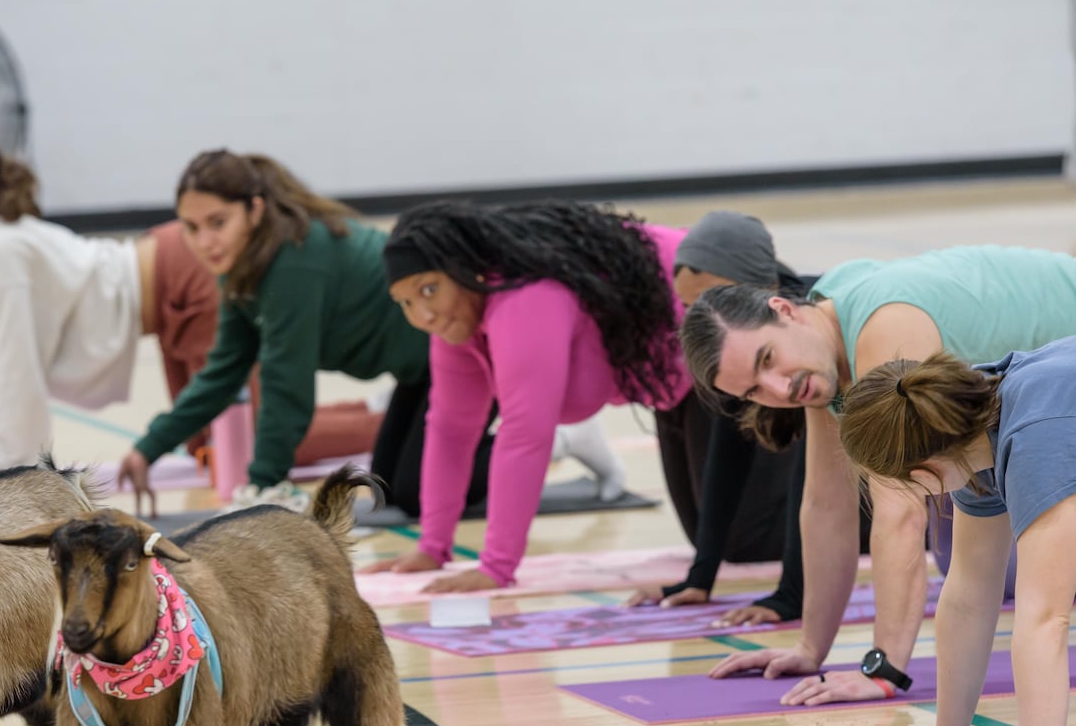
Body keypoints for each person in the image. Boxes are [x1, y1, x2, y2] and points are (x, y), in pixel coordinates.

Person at [679, 244, 1076, 705]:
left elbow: (900, 512)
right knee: (967, 562)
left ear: (784, 309)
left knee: (1015, 576)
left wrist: (883, 668)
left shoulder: (883, 326)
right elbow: (827, 505)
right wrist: (810, 647)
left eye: (767, 359)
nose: (777, 389)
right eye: (753, 390)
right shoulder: (821, 343)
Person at [0, 130, 379, 485]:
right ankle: (366, 411)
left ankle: (385, 423)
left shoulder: (0, 253)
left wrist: (11, 479)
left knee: (246, 440)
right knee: (206, 444)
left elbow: (15, 375)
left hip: (185, 278)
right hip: (165, 294)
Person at [114, 150, 484, 515]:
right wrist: (148, 448)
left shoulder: (293, 259)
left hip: (464, 353)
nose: (204, 241)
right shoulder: (241, 271)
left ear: (254, 211)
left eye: (218, 222)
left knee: (418, 491)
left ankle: (523, 449)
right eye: (191, 228)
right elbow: (223, 372)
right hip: (422, 372)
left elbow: (286, 384)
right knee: (388, 486)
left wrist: (263, 484)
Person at [361, 199, 693, 594]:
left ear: (464, 270)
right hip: (679, 379)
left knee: (746, 542)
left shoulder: (526, 299)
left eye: (429, 290)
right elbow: (451, 429)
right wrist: (432, 547)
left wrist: (496, 567)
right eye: (406, 303)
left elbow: (524, 436)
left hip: (728, 339)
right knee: (715, 532)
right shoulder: (456, 322)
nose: (423, 315)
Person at [835, 345, 1076, 726]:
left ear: (925, 474)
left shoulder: (1034, 435)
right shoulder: (975, 428)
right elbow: (968, 594)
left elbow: (1046, 618)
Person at [629, 210, 852, 625]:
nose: (700, 316)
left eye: (711, 299)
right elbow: (727, 452)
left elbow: (817, 484)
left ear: (769, 296)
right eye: (688, 306)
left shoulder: (798, 334)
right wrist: (701, 576)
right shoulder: (732, 341)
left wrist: (790, 596)